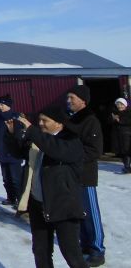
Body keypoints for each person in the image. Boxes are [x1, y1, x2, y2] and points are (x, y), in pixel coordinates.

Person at [6, 106, 88, 268]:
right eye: (39, 120)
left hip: (63, 205)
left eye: (45, 121)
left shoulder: (71, 141)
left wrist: (32, 131)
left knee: (71, 254)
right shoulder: (39, 140)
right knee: (40, 251)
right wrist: (11, 134)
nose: (41, 124)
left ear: (59, 123)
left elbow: (54, 149)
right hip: (39, 204)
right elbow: (18, 152)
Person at [66, 84, 105, 267]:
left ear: (82, 100)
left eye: (72, 98)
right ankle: (85, 244)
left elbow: (95, 150)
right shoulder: (72, 119)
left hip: (86, 175)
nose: (69, 101)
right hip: (72, 174)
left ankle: (98, 248)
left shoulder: (90, 120)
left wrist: (74, 157)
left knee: (91, 212)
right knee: (79, 212)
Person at [0, 94, 23, 207]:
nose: (0, 106)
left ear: (8, 105)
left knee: (16, 179)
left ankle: (21, 200)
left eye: (2, 104)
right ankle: (11, 198)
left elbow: (20, 136)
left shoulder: (16, 117)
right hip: (2, 153)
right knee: (6, 179)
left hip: (14, 155)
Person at [111, 97, 131, 174]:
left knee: (126, 151)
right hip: (117, 135)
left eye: (121, 104)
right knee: (120, 151)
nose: (120, 106)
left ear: (125, 105)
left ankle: (127, 167)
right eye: (118, 104)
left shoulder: (129, 112)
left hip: (127, 134)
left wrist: (120, 121)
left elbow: (129, 121)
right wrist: (113, 119)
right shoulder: (115, 113)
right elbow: (108, 122)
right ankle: (126, 166)